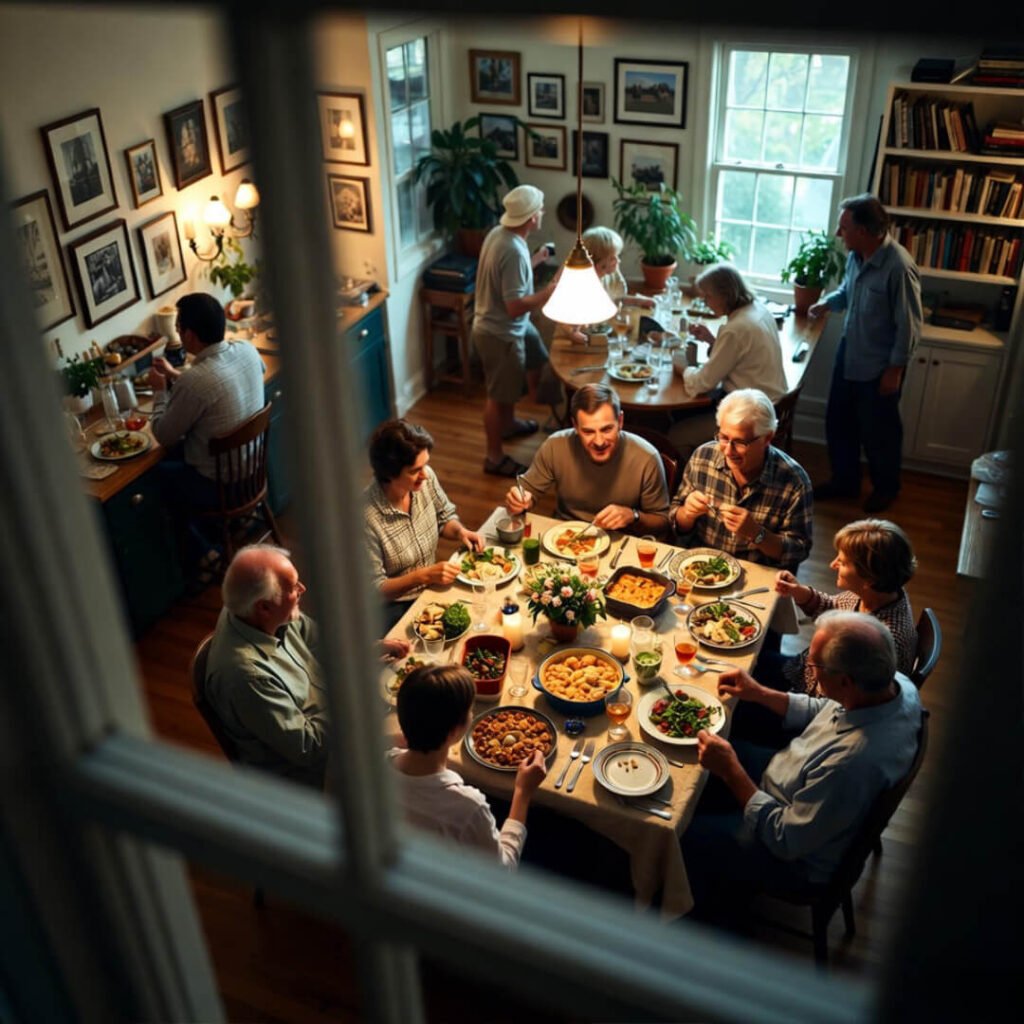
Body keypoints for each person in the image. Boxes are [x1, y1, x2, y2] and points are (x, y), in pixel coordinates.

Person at [682, 611, 923, 916]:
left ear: (845, 681)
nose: (810, 668)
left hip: (793, 859)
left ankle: (701, 919)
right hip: (790, 777)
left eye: (816, 665)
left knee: (685, 837)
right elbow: (826, 707)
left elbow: (785, 839)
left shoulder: (851, 763)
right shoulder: (894, 684)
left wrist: (732, 771)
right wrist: (759, 693)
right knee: (697, 763)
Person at [205, 544, 409, 789]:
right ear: (264, 607)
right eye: (293, 588)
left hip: (333, 718)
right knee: (412, 755)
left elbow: (322, 641)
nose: (302, 589)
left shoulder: (259, 609)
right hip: (308, 774)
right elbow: (307, 747)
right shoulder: (245, 676)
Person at [809, 194, 923, 514]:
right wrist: (827, 303)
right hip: (850, 353)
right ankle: (845, 482)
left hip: (880, 365)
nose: (838, 234)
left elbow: (910, 326)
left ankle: (886, 488)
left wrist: (895, 370)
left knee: (880, 433)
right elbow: (847, 292)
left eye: (844, 228)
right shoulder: (855, 256)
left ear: (865, 231)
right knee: (839, 423)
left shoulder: (899, 267)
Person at [149, 292, 265, 579]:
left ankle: (204, 552)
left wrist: (159, 392)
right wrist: (176, 374)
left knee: (156, 476)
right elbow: (219, 384)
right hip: (253, 474)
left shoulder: (194, 381)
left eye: (178, 329)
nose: (178, 334)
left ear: (188, 335)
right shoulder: (247, 350)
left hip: (221, 488)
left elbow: (163, 434)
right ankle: (236, 523)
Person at [387, 664, 546, 867]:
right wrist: (523, 792)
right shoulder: (468, 809)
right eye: (471, 710)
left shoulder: (371, 765)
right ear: (454, 731)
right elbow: (502, 871)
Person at [669, 388, 812, 572]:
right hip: (700, 571)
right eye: (723, 438)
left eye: (740, 442)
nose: (728, 451)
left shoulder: (794, 482)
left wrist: (757, 534)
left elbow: (798, 551)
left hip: (757, 576)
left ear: (767, 437)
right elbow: (675, 521)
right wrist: (686, 514)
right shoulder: (703, 457)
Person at [769, 518, 918, 694]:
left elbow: (845, 700)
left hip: (813, 697)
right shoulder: (879, 592)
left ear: (869, 578)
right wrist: (798, 591)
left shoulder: (881, 642)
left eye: (843, 562)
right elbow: (833, 608)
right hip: (806, 672)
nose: (833, 565)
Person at [471, 184, 557, 477]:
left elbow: (510, 281)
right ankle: (494, 457)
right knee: (498, 395)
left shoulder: (501, 235)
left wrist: (536, 260)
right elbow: (515, 306)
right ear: (532, 217)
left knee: (539, 360)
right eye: (540, 209)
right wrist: (548, 292)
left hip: (511, 328)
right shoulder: (512, 250)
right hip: (500, 333)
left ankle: (509, 425)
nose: (542, 212)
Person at [504, 383, 670, 532]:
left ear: (620, 421)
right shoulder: (555, 446)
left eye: (606, 430)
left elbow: (662, 521)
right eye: (588, 432)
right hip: (566, 537)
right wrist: (519, 501)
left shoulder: (647, 458)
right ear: (575, 426)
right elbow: (527, 493)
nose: (599, 442)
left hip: (621, 541)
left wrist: (633, 516)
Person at [364, 419, 483, 626]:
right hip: (394, 609)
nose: (425, 475)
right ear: (390, 474)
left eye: (425, 465)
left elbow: (444, 517)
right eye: (414, 471)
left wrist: (460, 532)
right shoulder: (366, 518)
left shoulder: (425, 481)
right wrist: (424, 576)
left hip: (432, 590)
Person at [668, 262, 788, 450]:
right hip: (772, 403)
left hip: (751, 417)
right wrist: (712, 341)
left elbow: (702, 383)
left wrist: (683, 368)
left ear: (726, 295)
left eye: (708, 296)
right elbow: (741, 356)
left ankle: (703, 476)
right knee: (683, 413)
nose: (706, 303)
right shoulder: (757, 310)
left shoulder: (735, 329)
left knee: (675, 436)